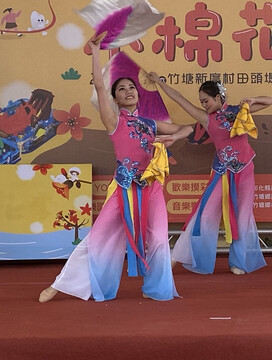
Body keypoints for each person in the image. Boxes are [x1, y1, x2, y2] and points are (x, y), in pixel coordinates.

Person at [39, 34, 193, 302]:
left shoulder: (150, 123)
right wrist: (96, 52)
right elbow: (100, 86)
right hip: (122, 188)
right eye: (121, 89)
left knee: (157, 239)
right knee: (97, 237)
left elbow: (188, 128)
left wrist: (173, 138)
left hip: (151, 188)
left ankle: (156, 288)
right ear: (116, 99)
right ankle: (61, 285)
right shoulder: (113, 121)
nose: (128, 91)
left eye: (131, 88)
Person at [149, 73, 272, 275]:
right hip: (221, 171)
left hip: (245, 169)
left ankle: (238, 262)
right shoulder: (206, 118)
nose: (204, 105)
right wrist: (160, 83)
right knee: (204, 214)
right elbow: (179, 99)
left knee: (242, 216)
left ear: (218, 97)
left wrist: (252, 100)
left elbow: (269, 101)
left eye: (206, 100)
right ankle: (180, 255)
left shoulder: (239, 112)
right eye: (201, 102)